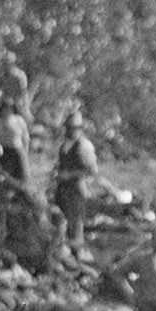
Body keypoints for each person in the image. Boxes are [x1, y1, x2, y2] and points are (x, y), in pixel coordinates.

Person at [52, 106, 98, 258]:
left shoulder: (84, 146)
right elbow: (61, 163)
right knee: (58, 221)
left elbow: (91, 171)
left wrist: (69, 175)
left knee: (75, 225)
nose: (70, 131)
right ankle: (61, 254)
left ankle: (78, 256)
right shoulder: (65, 145)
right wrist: (57, 172)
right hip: (61, 189)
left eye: (73, 128)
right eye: (68, 128)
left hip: (76, 189)